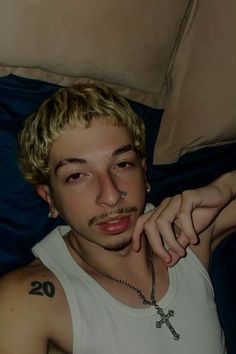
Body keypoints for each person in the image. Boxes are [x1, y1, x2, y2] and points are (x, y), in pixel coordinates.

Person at [0, 83, 235, 354]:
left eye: (122, 164)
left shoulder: (190, 232)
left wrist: (225, 186)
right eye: (76, 175)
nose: (110, 196)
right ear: (49, 198)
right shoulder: (26, 303)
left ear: (143, 172)